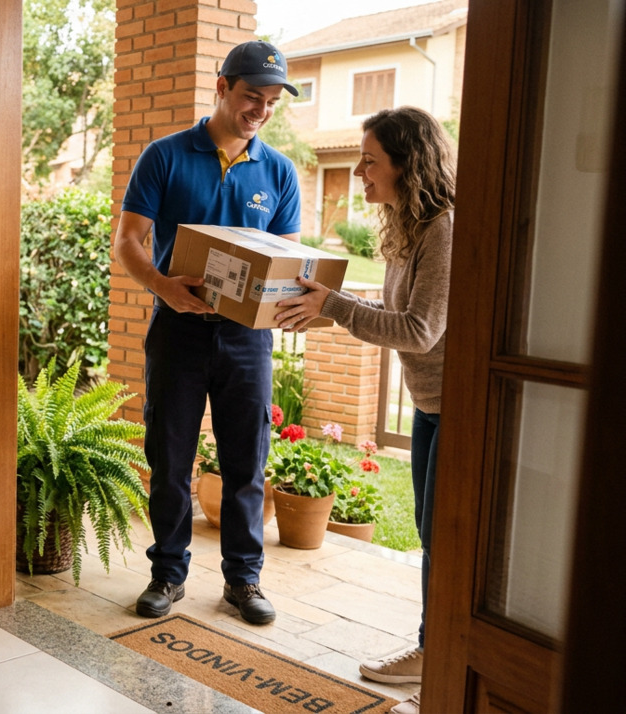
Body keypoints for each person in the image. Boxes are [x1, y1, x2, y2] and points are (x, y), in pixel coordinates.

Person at [274, 105, 455, 714]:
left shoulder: (444, 228)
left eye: (371, 160)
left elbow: (421, 329)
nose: (358, 172)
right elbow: (396, 312)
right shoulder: (408, 230)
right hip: (431, 407)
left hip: (458, 409)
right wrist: (332, 299)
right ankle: (435, 652)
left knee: (447, 543)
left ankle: (446, 660)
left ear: (409, 165)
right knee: (435, 538)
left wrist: (334, 307)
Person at [113, 40, 301, 625]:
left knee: (246, 462)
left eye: (271, 102)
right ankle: (167, 574)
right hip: (178, 330)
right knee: (170, 457)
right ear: (222, 87)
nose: (261, 110)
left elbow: (288, 259)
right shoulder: (165, 156)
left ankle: (243, 581)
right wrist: (163, 286)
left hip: (247, 341)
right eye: (252, 96)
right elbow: (129, 241)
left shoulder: (279, 171)